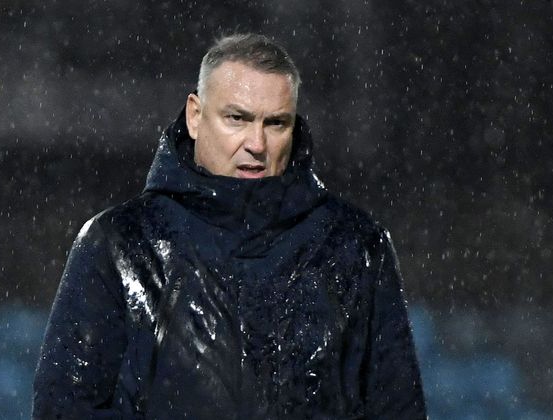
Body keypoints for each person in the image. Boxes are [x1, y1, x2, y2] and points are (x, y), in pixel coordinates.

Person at [33, 33, 426, 419]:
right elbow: (64, 409)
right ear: (195, 116)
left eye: (276, 123)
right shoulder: (118, 245)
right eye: (238, 118)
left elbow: (397, 408)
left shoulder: (356, 245)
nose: (257, 143)